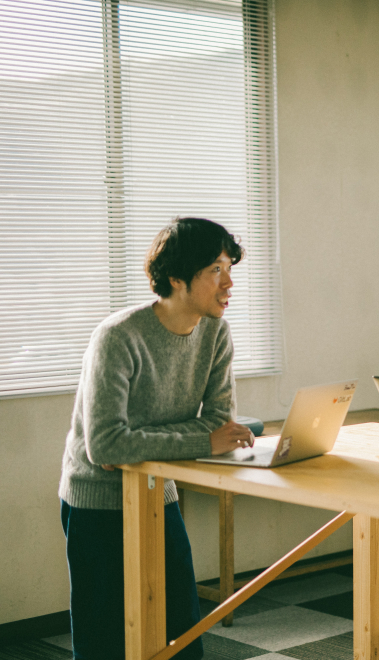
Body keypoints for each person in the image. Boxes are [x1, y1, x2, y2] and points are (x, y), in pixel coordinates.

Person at [58, 217, 258, 660]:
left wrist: (142, 440)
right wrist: (200, 439)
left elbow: (220, 425)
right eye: (216, 271)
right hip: (97, 500)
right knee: (104, 645)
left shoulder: (216, 333)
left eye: (230, 269)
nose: (229, 283)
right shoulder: (118, 336)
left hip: (156, 491)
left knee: (182, 640)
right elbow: (106, 447)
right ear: (176, 278)